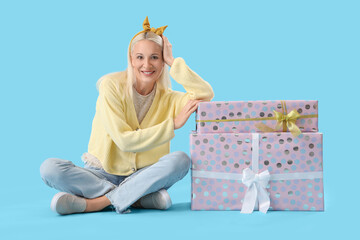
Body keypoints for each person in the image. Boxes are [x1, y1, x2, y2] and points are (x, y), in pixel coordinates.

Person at [39, 16, 214, 215]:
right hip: (100, 174)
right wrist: (171, 124)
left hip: (144, 173)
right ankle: (138, 198)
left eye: (155, 57)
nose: (147, 64)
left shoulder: (169, 98)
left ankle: (96, 203)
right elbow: (124, 140)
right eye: (140, 57)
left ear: (162, 61)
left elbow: (205, 94)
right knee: (49, 168)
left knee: (181, 160)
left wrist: (174, 62)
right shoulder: (111, 86)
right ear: (131, 59)